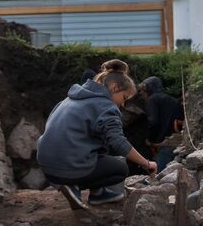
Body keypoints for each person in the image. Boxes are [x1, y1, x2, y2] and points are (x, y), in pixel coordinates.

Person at [37, 59, 157, 210]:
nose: (123, 104)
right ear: (114, 87)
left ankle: (98, 193)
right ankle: (74, 185)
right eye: (124, 98)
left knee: (100, 143)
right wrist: (147, 164)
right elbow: (118, 143)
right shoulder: (106, 107)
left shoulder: (70, 99)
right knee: (121, 168)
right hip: (67, 168)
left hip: (47, 165)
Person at [139, 76, 184, 173]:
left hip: (164, 144)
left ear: (149, 88)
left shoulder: (152, 99)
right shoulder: (174, 101)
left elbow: (154, 122)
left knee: (158, 176)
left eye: (143, 90)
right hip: (177, 143)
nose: (141, 93)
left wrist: (150, 139)